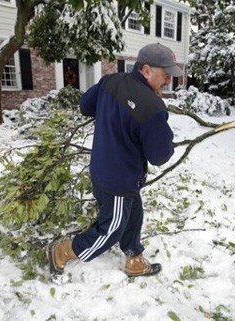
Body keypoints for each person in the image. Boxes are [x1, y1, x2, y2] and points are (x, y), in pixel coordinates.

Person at [47, 43, 184, 281]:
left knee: (134, 214)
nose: (168, 81)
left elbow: (85, 106)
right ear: (147, 70)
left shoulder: (110, 81)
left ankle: (133, 258)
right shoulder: (152, 107)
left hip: (104, 168)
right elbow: (159, 156)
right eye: (166, 74)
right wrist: (166, 137)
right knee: (111, 229)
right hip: (118, 180)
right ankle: (62, 252)